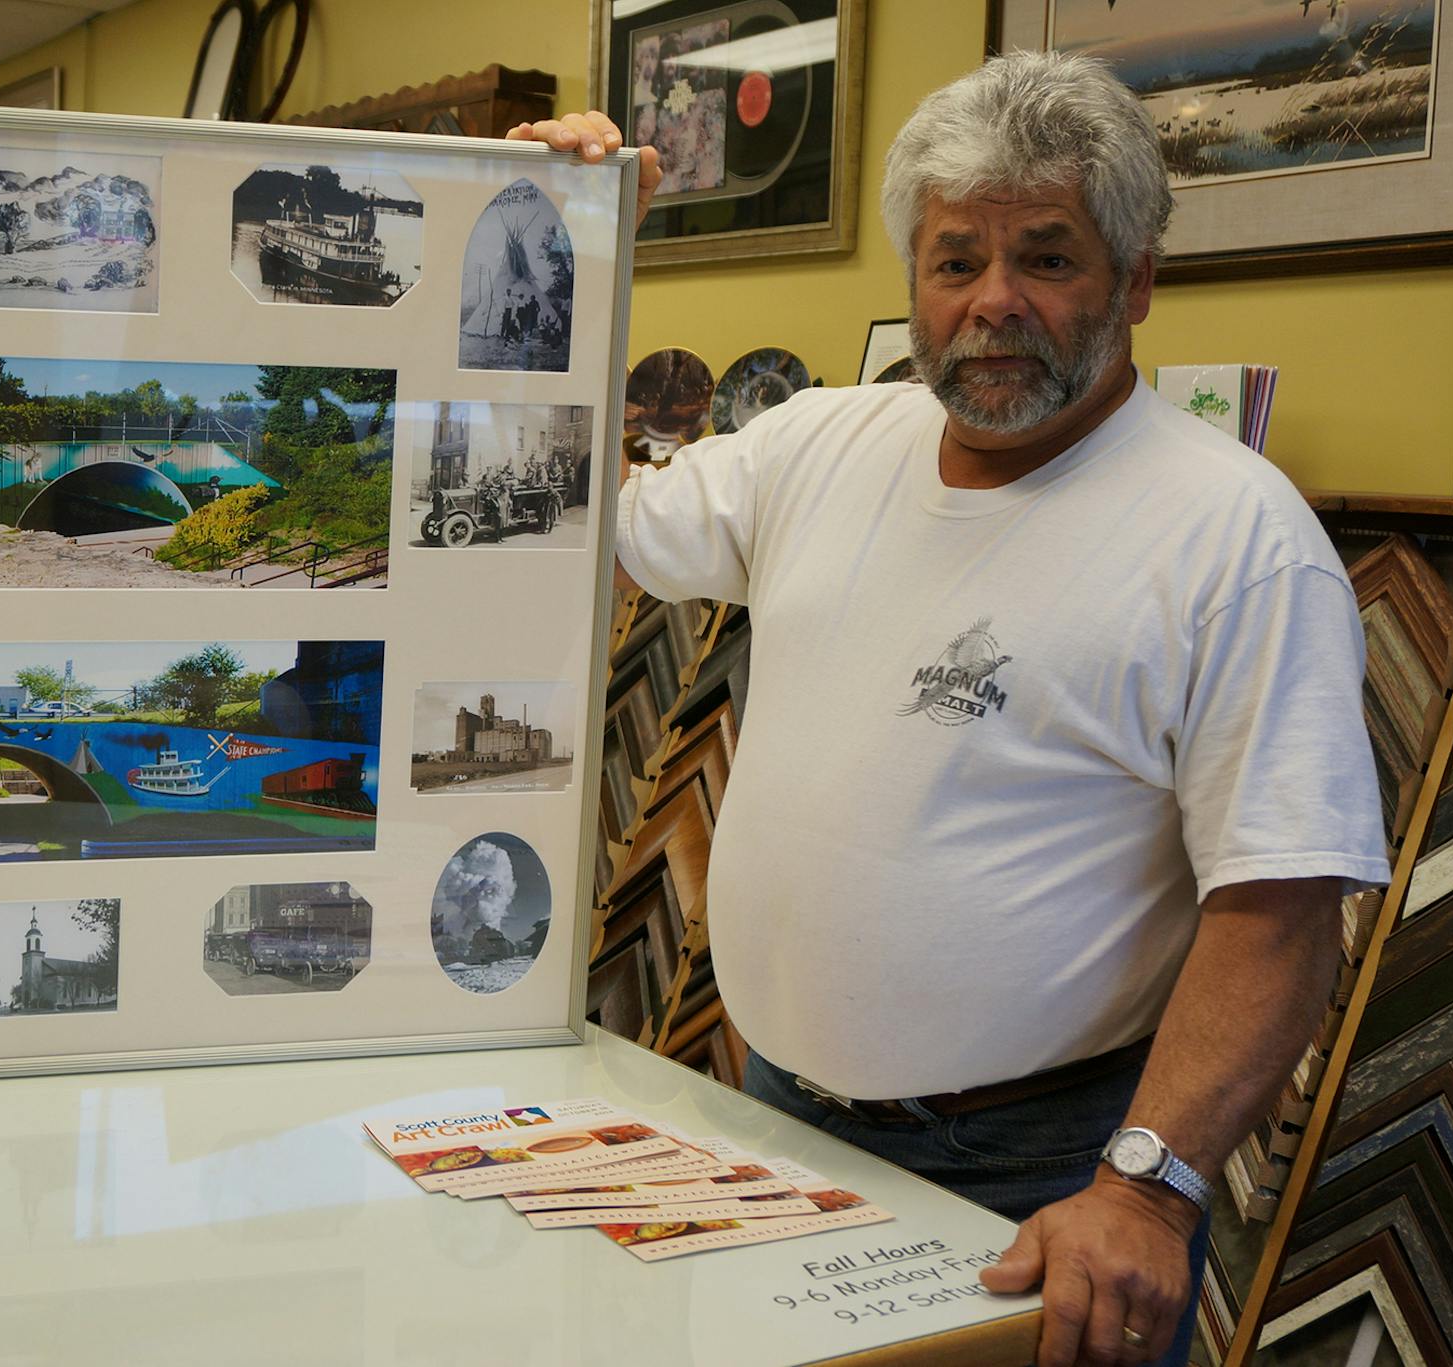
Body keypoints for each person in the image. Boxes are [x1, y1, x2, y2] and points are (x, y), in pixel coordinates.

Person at [514, 51, 1386, 1367]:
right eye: (954, 259)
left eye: (1046, 256)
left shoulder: (1234, 539)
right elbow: (580, 516)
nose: (993, 301)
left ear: (1137, 278)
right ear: (913, 279)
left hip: (1041, 1174)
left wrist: (1148, 1184)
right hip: (773, 1117)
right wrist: (563, 251)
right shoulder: (819, 442)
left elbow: (1281, 908)